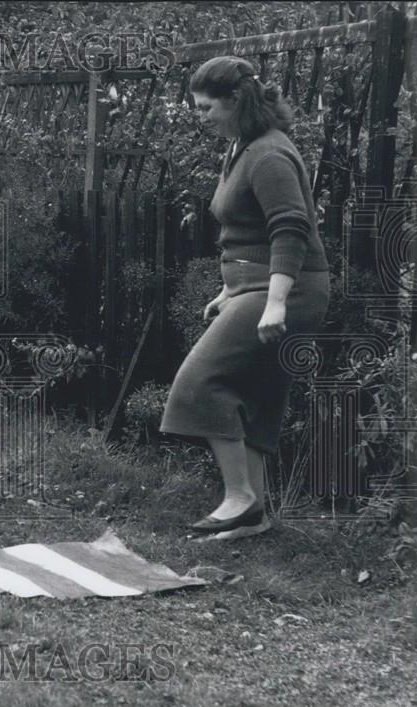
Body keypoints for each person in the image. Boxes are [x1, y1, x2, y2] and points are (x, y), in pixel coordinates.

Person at [159, 56, 330, 539]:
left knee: (199, 382)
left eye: (206, 107)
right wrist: (229, 289)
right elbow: (246, 230)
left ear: (235, 100)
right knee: (254, 393)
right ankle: (254, 517)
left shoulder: (269, 154)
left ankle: (241, 497)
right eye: (196, 108)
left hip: (288, 289)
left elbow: (290, 228)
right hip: (253, 286)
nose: (201, 116)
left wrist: (274, 301)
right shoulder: (242, 146)